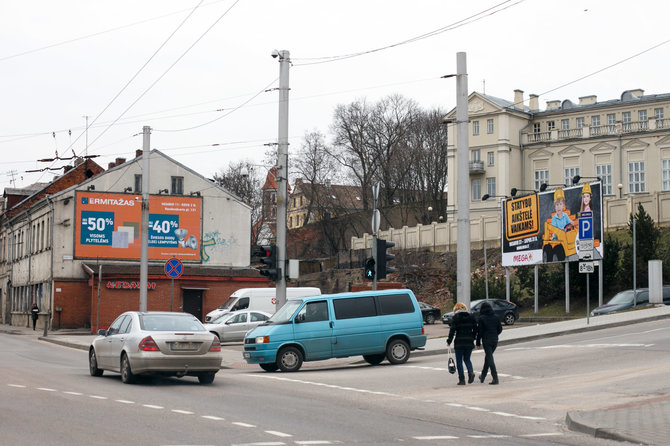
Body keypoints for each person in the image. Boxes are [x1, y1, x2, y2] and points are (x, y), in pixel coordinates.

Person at [446, 302, 477, 385]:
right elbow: (475, 329)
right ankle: (470, 372)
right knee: (467, 359)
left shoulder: (456, 318)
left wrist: (449, 341)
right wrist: (473, 337)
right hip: (469, 341)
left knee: (459, 361)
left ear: (456, 309)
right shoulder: (471, 316)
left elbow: (452, 331)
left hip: (459, 342)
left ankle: (462, 380)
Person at [476, 301, 503, 385]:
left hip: (486, 340)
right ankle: (483, 376)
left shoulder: (481, 318)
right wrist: (495, 334)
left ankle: (495, 378)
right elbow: (500, 329)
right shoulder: (496, 317)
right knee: (488, 357)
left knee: (490, 358)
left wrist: (477, 342)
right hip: (495, 339)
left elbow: (480, 332)